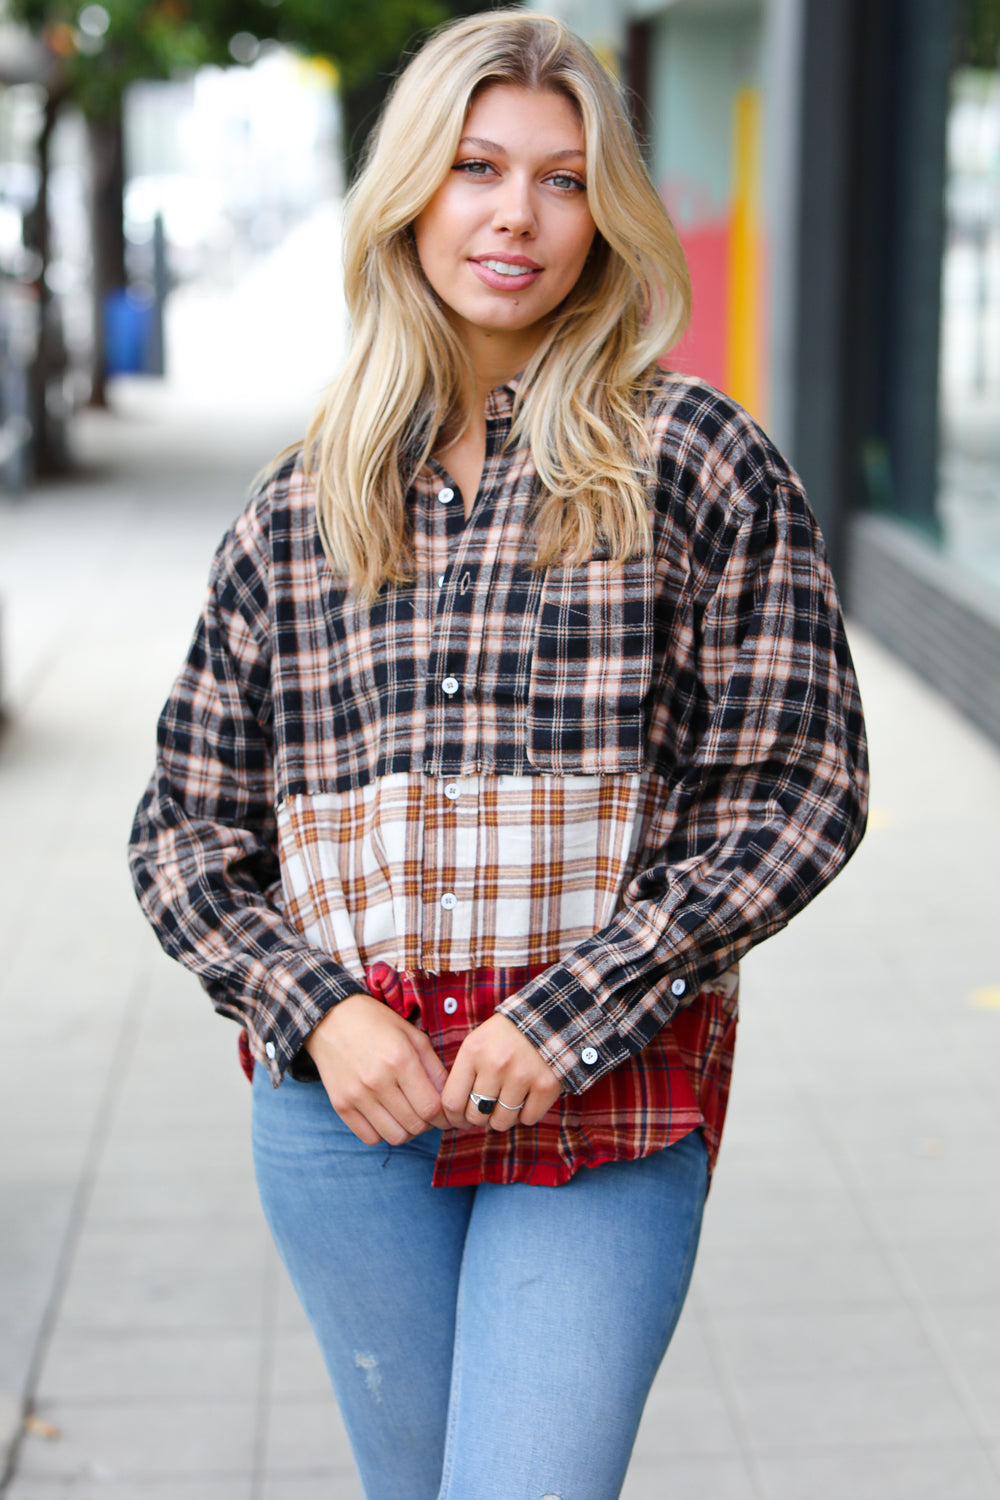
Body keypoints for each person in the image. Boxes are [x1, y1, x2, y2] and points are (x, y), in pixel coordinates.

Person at [129, 11, 869, 1498]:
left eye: (562, 176)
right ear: (412, 191)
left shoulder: (700, 462)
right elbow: (182, 835)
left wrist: (569, 1012)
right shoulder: (303, 505)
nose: (514, 215)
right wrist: (321, 1013)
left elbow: (800, 794)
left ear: (609, 216)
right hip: (346, 1114)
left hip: (606, 1101)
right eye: (476, 167)